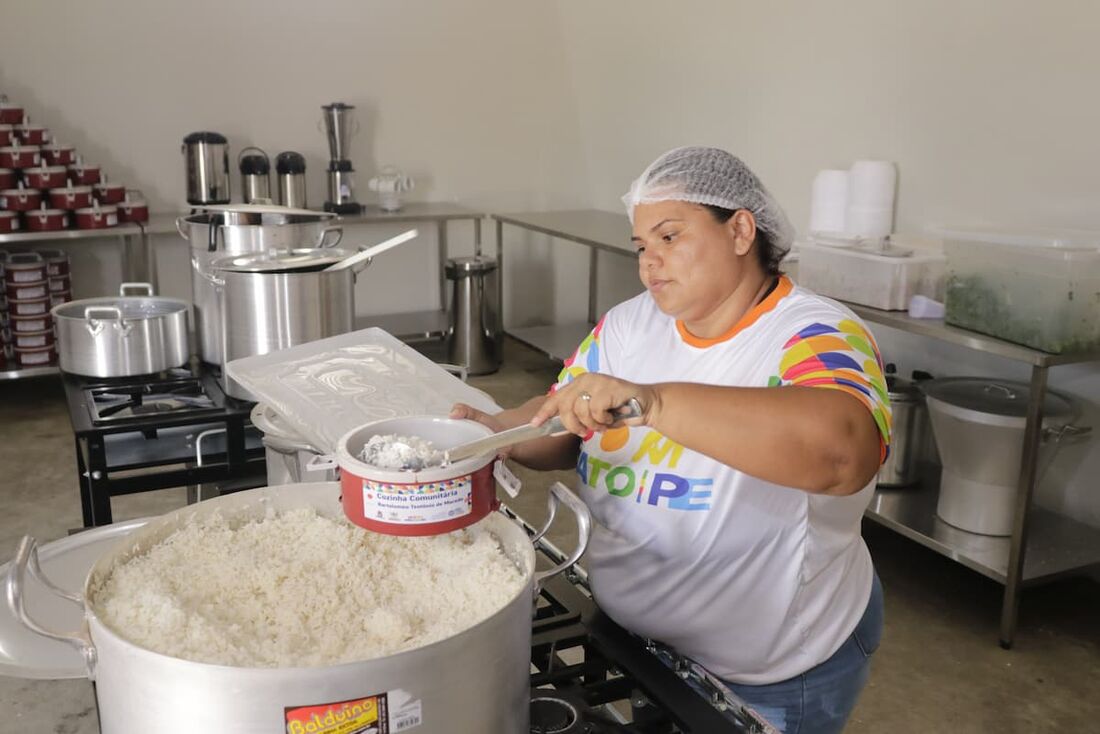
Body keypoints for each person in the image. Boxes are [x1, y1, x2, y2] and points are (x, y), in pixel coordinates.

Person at [452, 146, 887, 733]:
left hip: (772, 666)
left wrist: (652, 402)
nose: (650, 263)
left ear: (739, 230)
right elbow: (561, 420)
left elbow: (842, 453)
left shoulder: (814, 332)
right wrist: (491, 435)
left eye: (670, 237)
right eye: (641, 247)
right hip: (638, 645)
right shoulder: (630, 324)